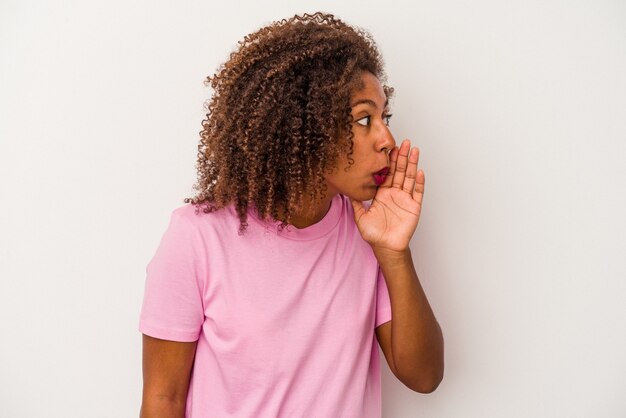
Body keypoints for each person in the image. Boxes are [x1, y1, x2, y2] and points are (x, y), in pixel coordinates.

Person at [139, 12, 444, 418]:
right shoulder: (197, 237)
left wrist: (394, 253)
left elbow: (423, 377)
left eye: (383, 118)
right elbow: (163, 400)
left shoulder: (368, 233)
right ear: (305, 124)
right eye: (363, 119)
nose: (387, 138)